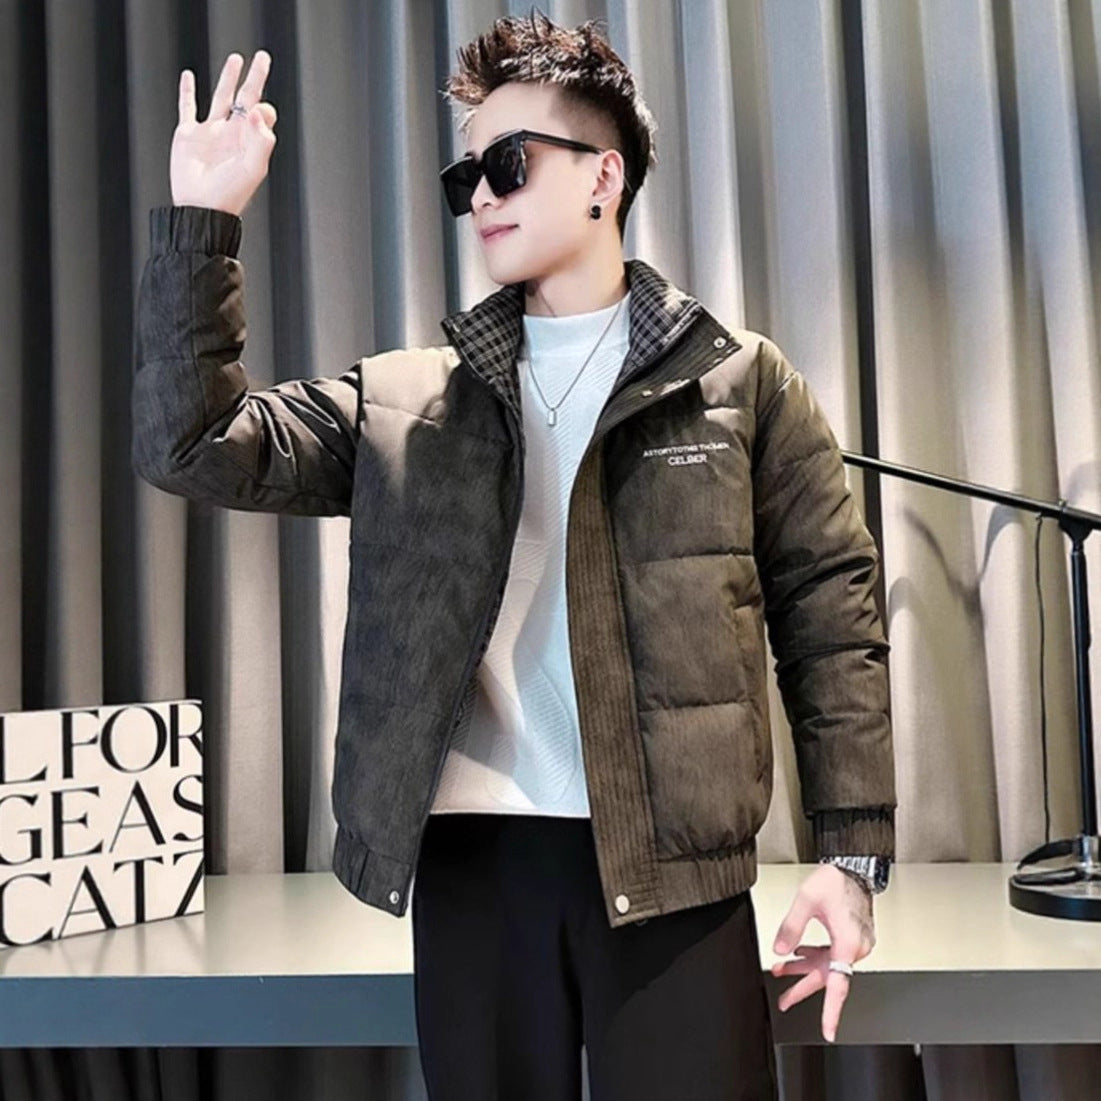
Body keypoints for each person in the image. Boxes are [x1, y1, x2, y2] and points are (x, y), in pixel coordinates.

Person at [132, 9, 897, 1099]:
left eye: (509, 164)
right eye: (467, 177)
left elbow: (833, 619)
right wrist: (203, 225)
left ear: (604, 178)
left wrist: (850, 856)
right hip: (476, 868)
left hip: (676, 871)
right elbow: (191, 445)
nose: (481, 196)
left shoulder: (740, 384)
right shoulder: (407, 401)